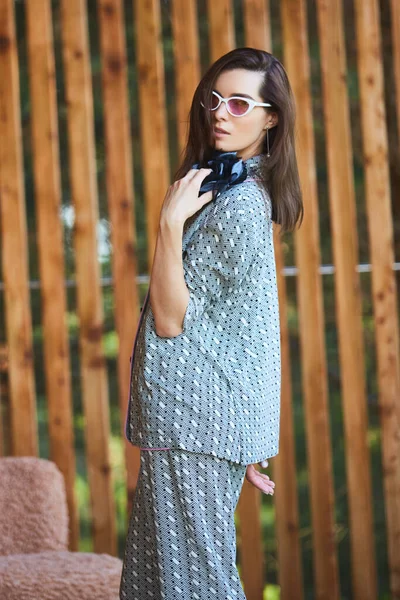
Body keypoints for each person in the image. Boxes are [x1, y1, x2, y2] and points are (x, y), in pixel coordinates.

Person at [120, 47, 303, 600]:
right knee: (164, 580)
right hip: (197, 422)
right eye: (214, 99)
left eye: (240, 102)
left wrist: (169, 224)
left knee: (190, 584)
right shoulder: (229, 192)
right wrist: (243, 431)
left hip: (193, 423)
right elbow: (236, 323)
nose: (221, 113)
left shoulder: (238, 205)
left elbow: (172, 321)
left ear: (271, 116)